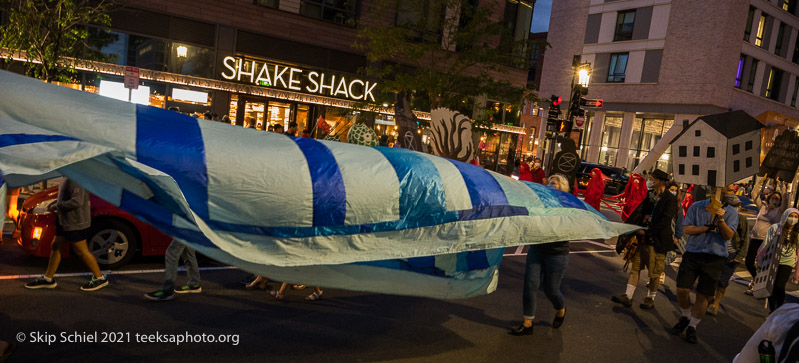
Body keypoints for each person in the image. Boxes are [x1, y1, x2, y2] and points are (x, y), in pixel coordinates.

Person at [672, 184, 738, 344]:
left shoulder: (731, 212)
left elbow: (729, 235)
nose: (722, 192)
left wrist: (721, 220)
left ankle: (692, 327)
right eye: (719, 188)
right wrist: (705, 228)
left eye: (727, 190)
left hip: (714, 257)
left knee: (704, 296)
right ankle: (686, 316)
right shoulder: (697, 206)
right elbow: (687, 229)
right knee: (682, 289)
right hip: (693, 253)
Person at [511, 174, 571, 336]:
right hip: (537, 250)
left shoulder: (567, 205)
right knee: (530, 285)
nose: (550, 186)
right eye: (549, 183)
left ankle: (560, 309)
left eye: (554, 184)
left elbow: (570, 227)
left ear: (563, 188)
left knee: (551, 290)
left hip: (557, 254)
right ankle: (528, 322)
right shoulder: (540, 201)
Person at [25, 179, 108, 291]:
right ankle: (48, 279)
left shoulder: (75, 179)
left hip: (75, 222)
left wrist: (56, 206)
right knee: (56, 246)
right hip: (64, 220)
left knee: (81, 250)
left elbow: (77, 201)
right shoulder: (68, 177)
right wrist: (55, 204)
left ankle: (100, 278)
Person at [611, 170, 676, 309]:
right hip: (642, 239)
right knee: (635, 267)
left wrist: (647, 231)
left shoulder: (670, 199)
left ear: (658, 181)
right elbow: (642, 212)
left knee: (654, 273)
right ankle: (628, 296)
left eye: (652, 178)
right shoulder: (650, 195)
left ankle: (650, 298)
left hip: (657, 241)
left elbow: (664, 221)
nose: (649, 181)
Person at [745, 175, 790, 295]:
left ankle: (757, 286)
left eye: (777, 199)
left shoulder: (779, 211)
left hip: (768, 241)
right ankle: (755, 278)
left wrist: (782, 185)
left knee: (763, 265)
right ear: (769, 198)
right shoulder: (763, 207)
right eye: (773, 198)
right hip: (755, 238)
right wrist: (762, 181)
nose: (775, 200)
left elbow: (786, 200)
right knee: (749, 262)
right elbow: (754, 194)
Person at [706, 195, 748, 315]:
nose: (737, 208)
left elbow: (745, 238)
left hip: (731, 254)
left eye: (738, 205)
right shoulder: (715, 215)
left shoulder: (741, 219)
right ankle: (709, 299)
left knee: (723, 281)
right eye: (734, 206)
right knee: (712, 278)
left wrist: (739, 256)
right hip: (715, 252)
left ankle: (716, 304)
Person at [756, 208, 799, 313]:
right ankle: (772, 309)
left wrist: (797, 273)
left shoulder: (797, 232)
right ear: (785, 216)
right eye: (790, 216)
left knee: (780, 285)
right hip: (773, 260)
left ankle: (779, 309)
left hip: (788, 262)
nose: (792, 219)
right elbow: (766, 244)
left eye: (796, 217)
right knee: (771, 286)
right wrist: (760, 260)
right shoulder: (775, 228)